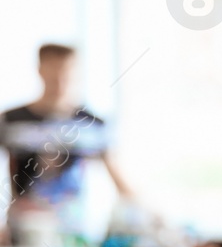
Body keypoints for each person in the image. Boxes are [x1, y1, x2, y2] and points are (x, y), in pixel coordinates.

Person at [2, 43, 131, 229]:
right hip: (23, 229)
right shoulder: (10, 120)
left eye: (66, 72)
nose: (60, 80)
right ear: (40, 70)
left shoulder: (93, 124)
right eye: (53, 72)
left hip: (75, 231)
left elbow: (119, 179)